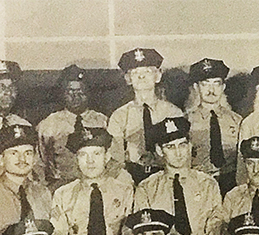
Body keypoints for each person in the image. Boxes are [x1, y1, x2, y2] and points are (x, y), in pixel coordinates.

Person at [133, 117, 222, 235]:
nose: (178, 153)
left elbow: (214, 233)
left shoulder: (208, 184)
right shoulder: (147, 188)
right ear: (160, 151)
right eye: (170, 147)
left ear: (190, 146)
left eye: (182, 145)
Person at [50, 127, 133, 235]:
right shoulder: (63, 194)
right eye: (83, 155)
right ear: (76, 160)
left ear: (107, 157)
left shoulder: (124, 191)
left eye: (96, 154)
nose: (90, 161)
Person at [107, 48, 184, 184]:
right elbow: (116, 159)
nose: (141, 77)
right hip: (132, 176)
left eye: (147, 71)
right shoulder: (119, 116)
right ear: (128, 79)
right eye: (135, 72)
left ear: (158, 76)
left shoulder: (173, 112)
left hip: (165, 175)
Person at [37, 64, 109, 191]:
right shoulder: (49, 124)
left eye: (81, 92)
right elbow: (40, 163)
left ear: (89, 93)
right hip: (61, 186)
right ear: (62, 94)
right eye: (70, 92)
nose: (75, 96)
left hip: (97, 186)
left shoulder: (103, 121)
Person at [186, 58, 243, 195]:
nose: (211, 90)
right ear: (196, 87)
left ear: (223, 87)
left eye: (216, 84)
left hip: (230, 183)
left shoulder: (237, 120)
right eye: (205, 84)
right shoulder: (186, 121)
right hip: (199, 183)